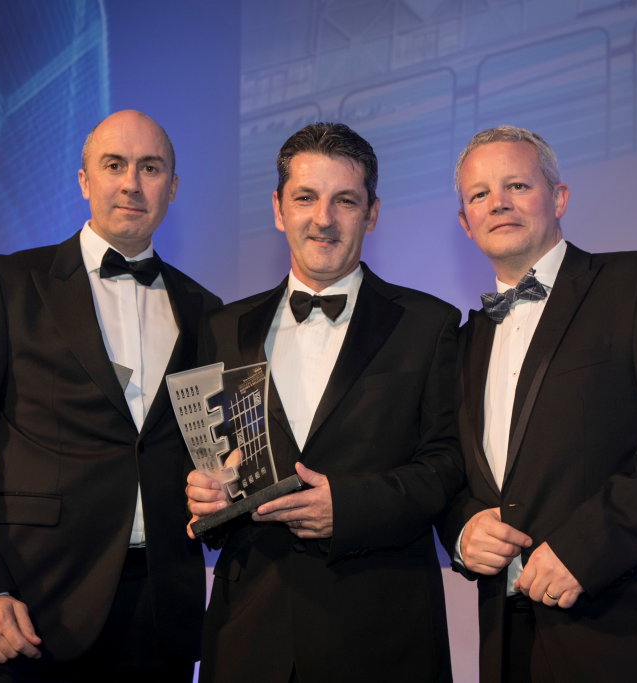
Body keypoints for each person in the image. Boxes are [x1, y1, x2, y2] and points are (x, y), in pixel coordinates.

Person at [0, 110, 221, 682]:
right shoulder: (8, 284)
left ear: (173, 188)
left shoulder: (206, 309)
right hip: (30, 609)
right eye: (114, 165)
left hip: (161, 617)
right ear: (84, 180)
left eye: (150, 168)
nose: (132, 183)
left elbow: (209, 455)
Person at [438, 125, 637, 683]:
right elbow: (451, 472)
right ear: (465, 222)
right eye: (479, 194)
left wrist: (587, 548)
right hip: (512, 645)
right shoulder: (460, 344)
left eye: (516, 185)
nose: (498, 202)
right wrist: (462, 532)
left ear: (558, 198)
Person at [185, 123, 463, 683]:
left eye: (345, 201)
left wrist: (351, 507)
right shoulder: (220, 328)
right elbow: (207, 463)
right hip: (248, 635)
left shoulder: (429, 324)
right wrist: (203, 496)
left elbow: (449, 464)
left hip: (382, 635)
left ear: (372, 213)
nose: (324, 218)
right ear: (278, 208)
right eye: (305, 198)